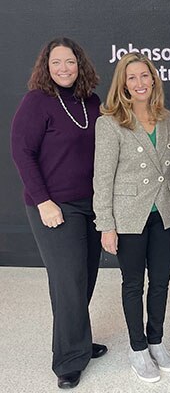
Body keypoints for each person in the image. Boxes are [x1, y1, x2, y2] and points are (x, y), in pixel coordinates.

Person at [10, 37, 107, 389]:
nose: (63, 68)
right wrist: (43, 201)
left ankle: (78, 341)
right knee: (68, 282)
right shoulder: (37, 102)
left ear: (80, 65)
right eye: (56, 63)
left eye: (69, 62)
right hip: (53, 205)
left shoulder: (91, 102)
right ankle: (68, 361)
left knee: (86, 276)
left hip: (91, 205)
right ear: (46, 67)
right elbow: (22, 152)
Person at [93, 53, 170, 383]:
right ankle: (138, 350)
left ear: (153, 80)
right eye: (132, 78)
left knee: (160, 282)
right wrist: (106, 224)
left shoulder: (167, 118)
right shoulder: (109, 123)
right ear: (123, 84)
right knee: (133, 284)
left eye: (144, 76)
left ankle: (156, 342)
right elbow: (102, 178)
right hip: (129, 217)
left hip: (162, 214)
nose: (139, 83)